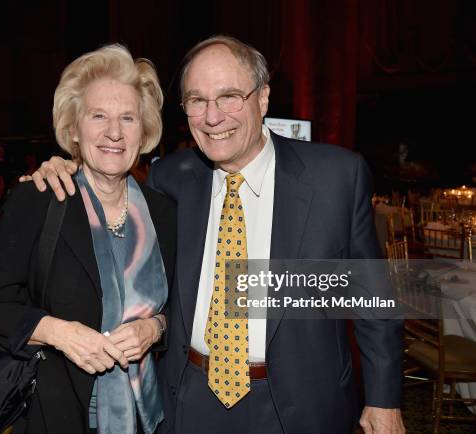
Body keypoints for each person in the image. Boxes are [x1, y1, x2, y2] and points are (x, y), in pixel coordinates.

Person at [24, 36, 404, 434]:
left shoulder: (336, 178)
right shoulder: (170, 179)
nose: (212, 117)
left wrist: (384, 399)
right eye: (197, 100)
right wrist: (65, 167)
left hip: (301, 403)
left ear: (263, 99)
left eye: (229, 96)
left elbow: (373, 299)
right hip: (191, 399)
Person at [0, 44, 176, 434]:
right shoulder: (37, 200)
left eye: (128, 118)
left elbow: (182, 307)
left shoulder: (165, 212)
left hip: (150, 416)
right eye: (98, 116)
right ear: (73, 127)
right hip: (57, 413)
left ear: (145, 130)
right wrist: (59, 332)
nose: (114, 133)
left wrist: (156, 328)